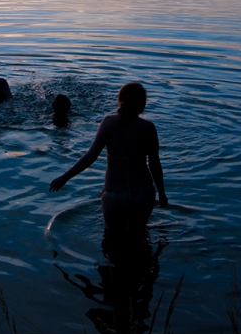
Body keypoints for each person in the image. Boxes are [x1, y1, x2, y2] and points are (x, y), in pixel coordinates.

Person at [50, 83, 168, 234]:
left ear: (120, 100)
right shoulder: (148, 127)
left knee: (112, 242)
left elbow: (91, 156)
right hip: (143, 194)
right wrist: (162, 194)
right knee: (140, 238)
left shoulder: (109, 122)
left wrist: (65, 177)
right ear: (142, 104)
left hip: (115, 195)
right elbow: (154, 164)